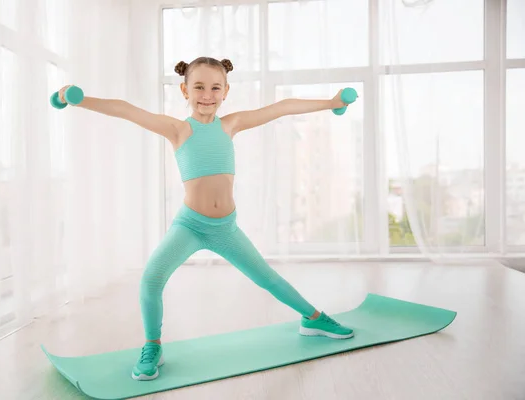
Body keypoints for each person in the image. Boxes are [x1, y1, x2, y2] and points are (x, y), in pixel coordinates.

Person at [56, 56, 355, 382]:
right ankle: (152, 346)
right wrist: (77, 99)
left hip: (225, 228)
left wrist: (332, 102)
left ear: (226, 91)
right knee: (151, 280)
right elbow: (127, 110)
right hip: (190, 225)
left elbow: (281, 107)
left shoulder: (231, 124)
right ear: (185, 89)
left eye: (215, 87)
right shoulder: (178, 129)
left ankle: (313, 318)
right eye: (199, 87)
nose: (207, 95)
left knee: (267, 278)